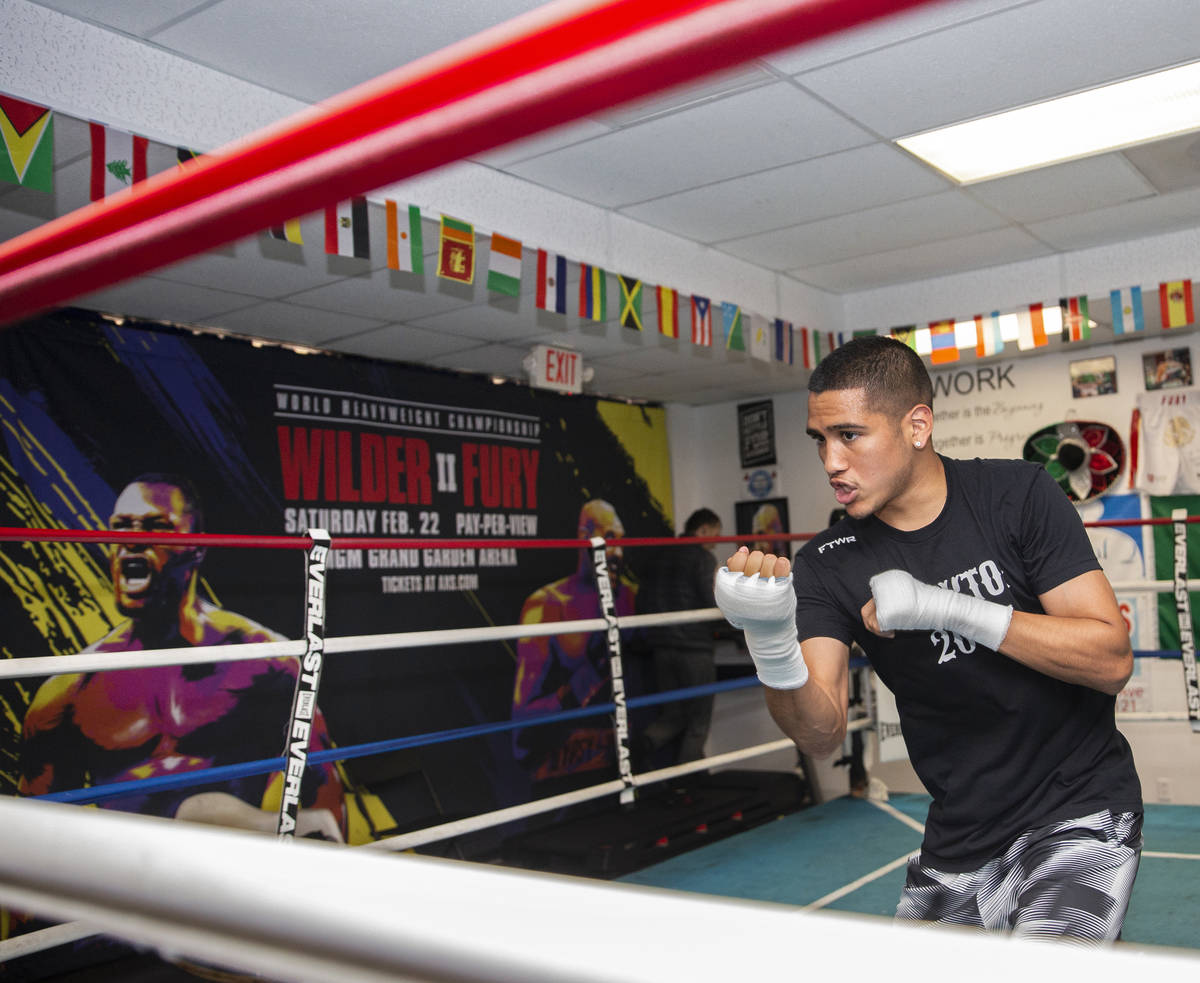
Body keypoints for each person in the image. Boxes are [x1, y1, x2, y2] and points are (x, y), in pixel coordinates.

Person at [714, 336, 1142, 943]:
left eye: (850, 435)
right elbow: (820, 732)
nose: (831, 460)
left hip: (1077, 807)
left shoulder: (1015, 495)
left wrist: (950, 609)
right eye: (821, 440)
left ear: (917, 426)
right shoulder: (827, 565)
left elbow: (1111, 659)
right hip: (959, 832)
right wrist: (770, 642)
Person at [19, 473, 345, 841]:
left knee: (206, 809)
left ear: (197, 546)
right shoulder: (72, 690)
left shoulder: (267, 662)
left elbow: (322, 793)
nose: (133, 542)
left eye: (156, 528)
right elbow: (35, 830)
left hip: (234, 863)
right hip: (132, 874)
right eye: (122, 527)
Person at [511, 499, 638, 784]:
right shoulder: (547, 606)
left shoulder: (628, 597)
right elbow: (523, 734)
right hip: (562, 773)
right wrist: (586, 679)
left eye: (622, 541)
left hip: (619, 764)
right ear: (585, 538)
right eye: (609, 538)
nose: (617, 552)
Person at [637, 507, 722, 766]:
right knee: (698, 719)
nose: (716, 543)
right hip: (694, 647)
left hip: (661, 646)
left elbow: (642, 598)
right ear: (703, 529)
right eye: (716, 535)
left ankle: (638, 748)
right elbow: (712, 600)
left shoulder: (661, 553)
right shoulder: (702, 558)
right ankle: (687, 785)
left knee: (673, 715)